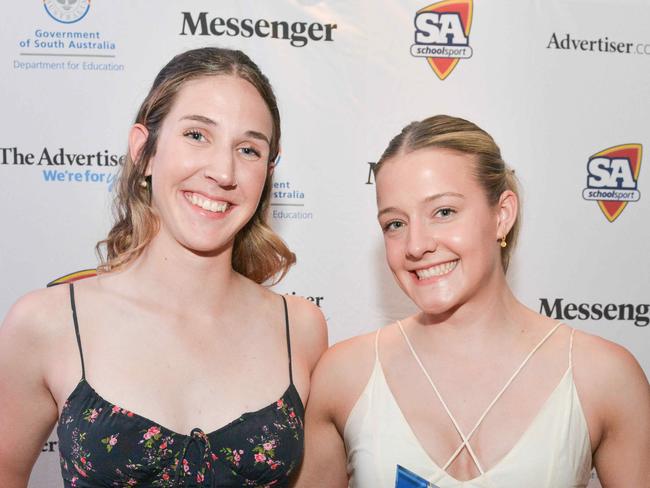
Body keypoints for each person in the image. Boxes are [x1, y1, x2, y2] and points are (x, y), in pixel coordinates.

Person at [0, 47, 327, 487]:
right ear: (145, 150)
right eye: (197, 135)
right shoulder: (47, 323)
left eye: (248, 149)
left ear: (267, 171)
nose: (223, 171)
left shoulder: (301, 328)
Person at [296, 115, 650, 487]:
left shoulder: (604, 377)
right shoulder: (344, 376)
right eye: (395, 224)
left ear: (502, 215)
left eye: (444, 212)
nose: (416, 245)